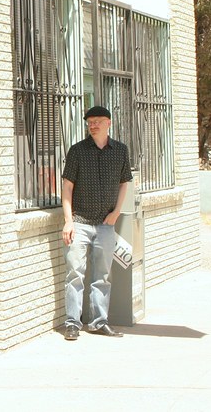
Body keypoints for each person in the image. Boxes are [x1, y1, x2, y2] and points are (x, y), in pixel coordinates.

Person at [60, 105, 132, 341]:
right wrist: (68, 221)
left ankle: (99, 322)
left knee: (102, 276)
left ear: (108, 123)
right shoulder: (77, 151)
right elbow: (67, 187)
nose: (93, 125)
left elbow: (124, 183)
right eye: (89, 122)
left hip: (105, 224)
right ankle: (72, 323)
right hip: (79, 222)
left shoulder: (120, 151)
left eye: (98, 121)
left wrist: (117, 212)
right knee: (75, 274)